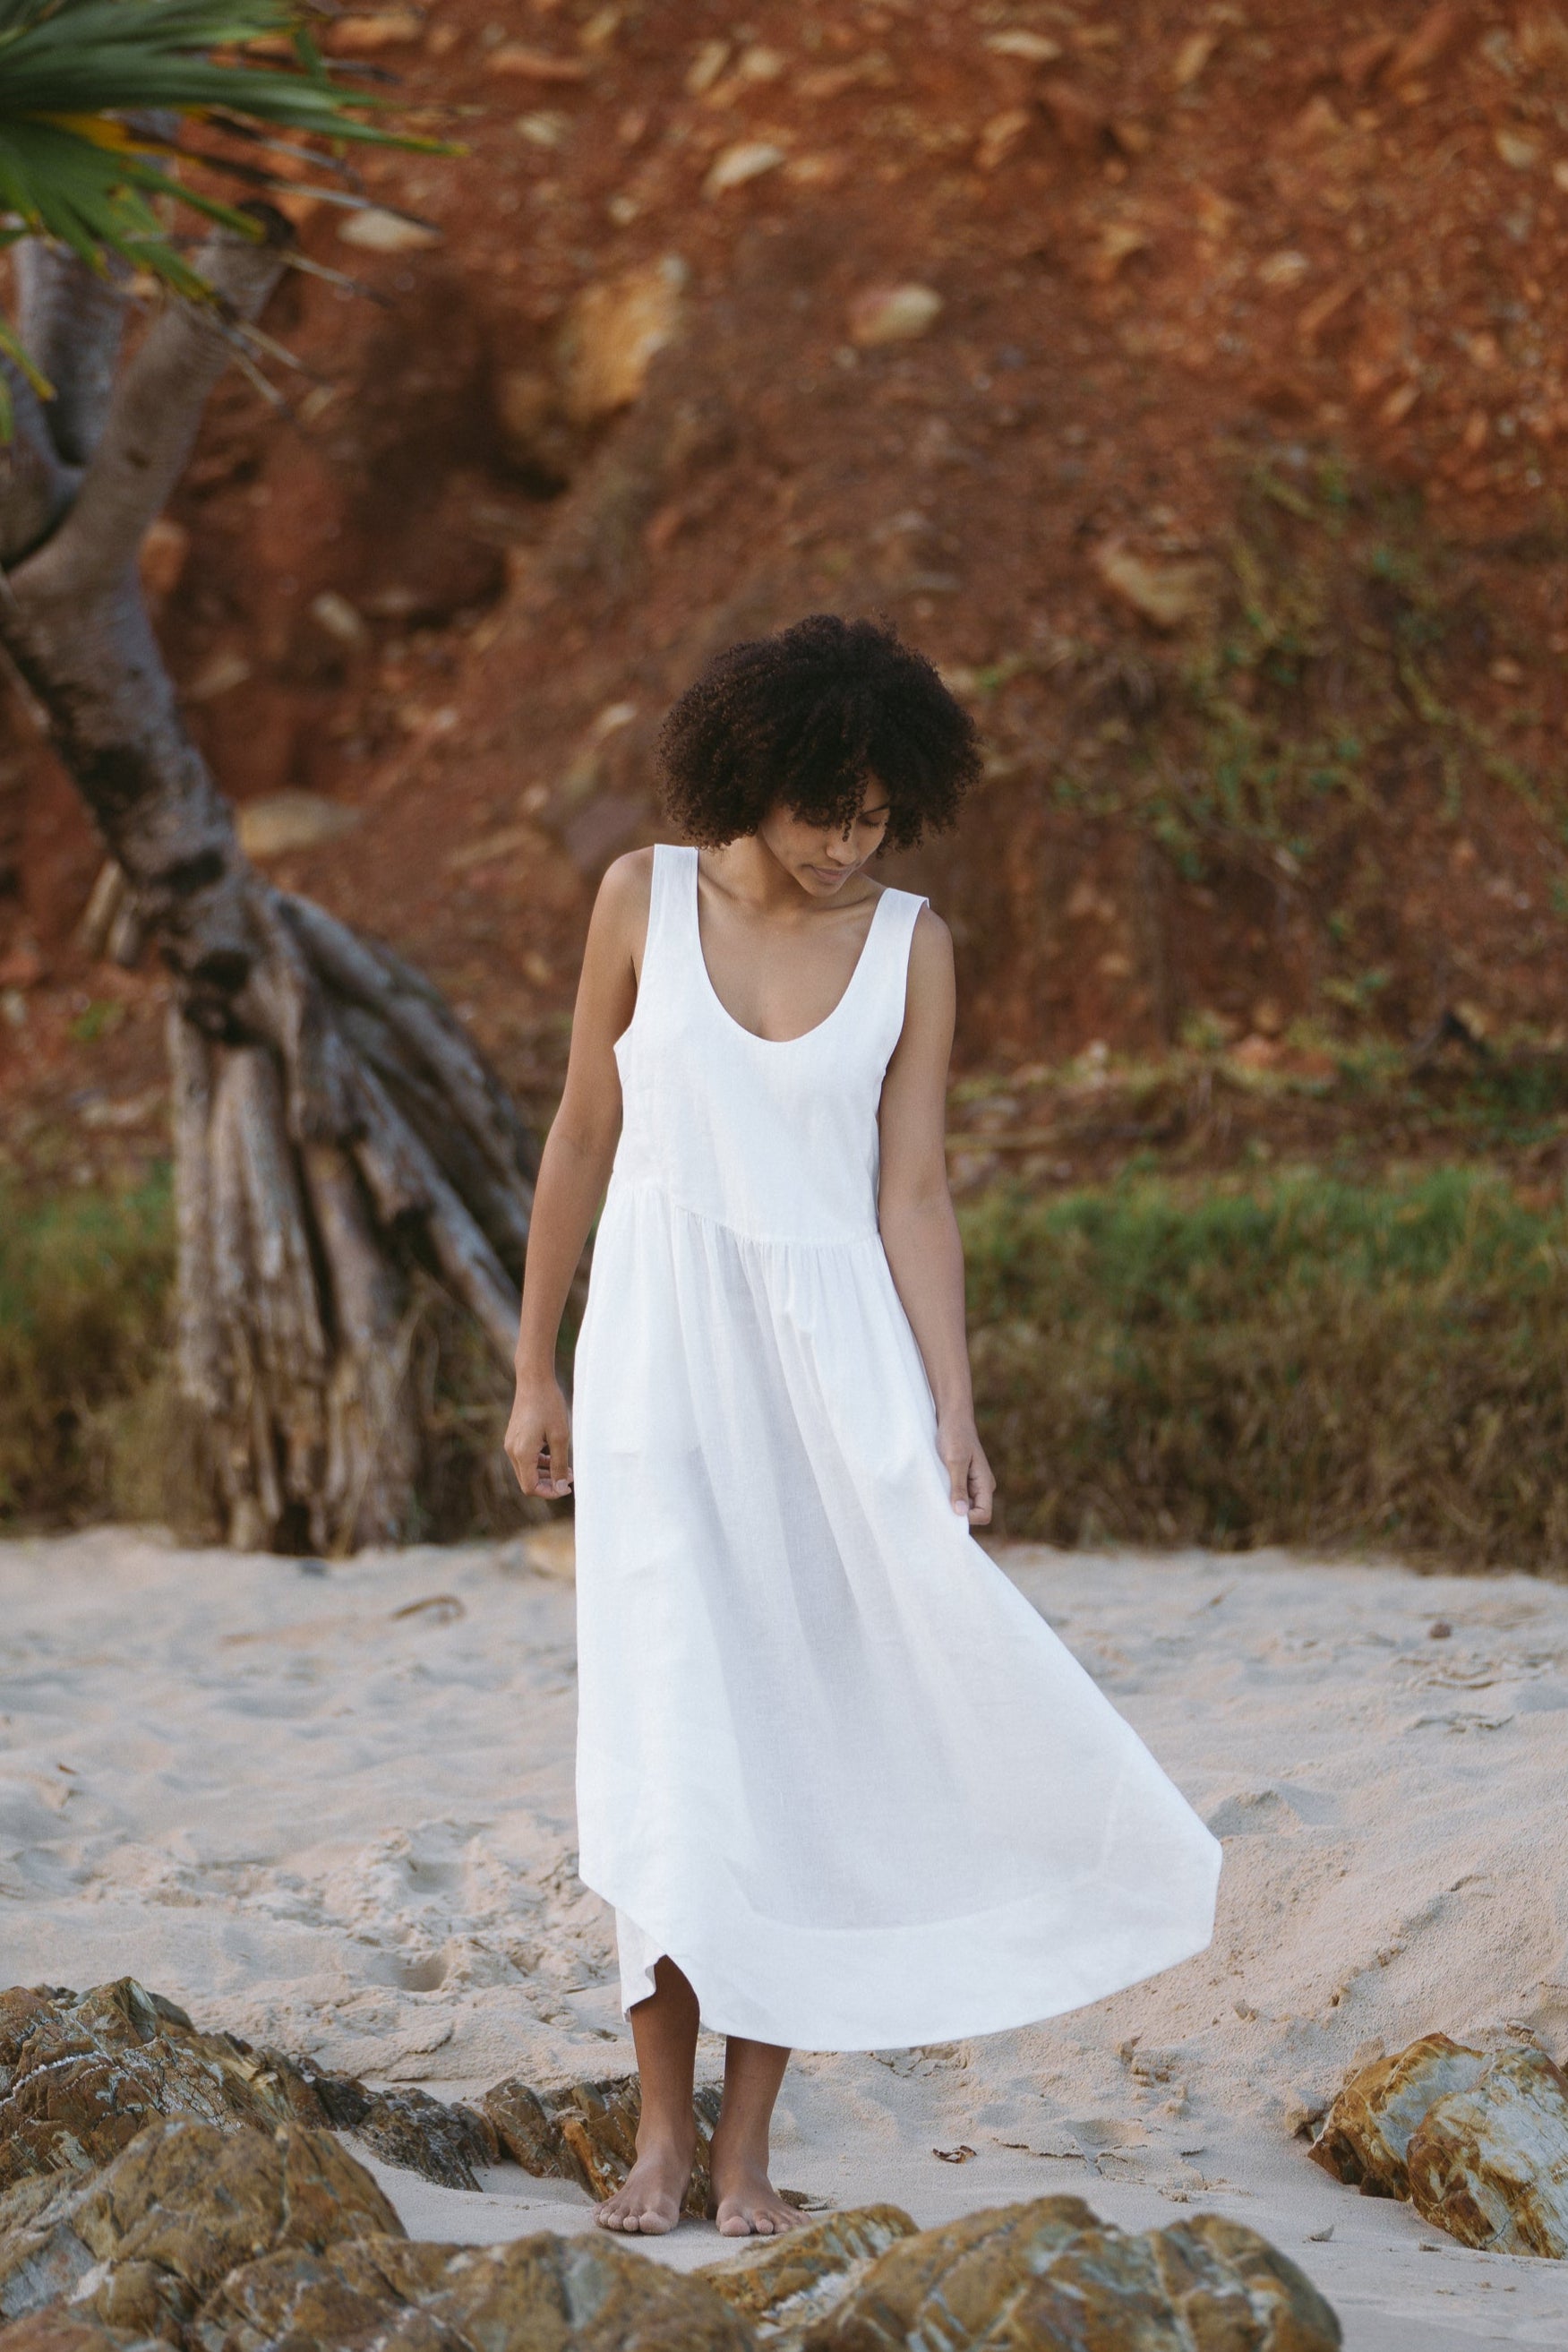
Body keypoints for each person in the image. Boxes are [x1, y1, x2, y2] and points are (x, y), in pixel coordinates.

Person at [505, 614, 1221, 2239]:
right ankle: (660, 2134)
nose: (850, 845)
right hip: (658, 1366)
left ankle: (747, 2147)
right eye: (825, 812)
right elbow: (581, 1135)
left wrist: (953, 1404)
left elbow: (913, 1191)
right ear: (748, 779)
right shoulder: (639, 899)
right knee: (671, 1735)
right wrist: (536, 1365)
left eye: (879, 817)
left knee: (803, 1745)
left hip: (838, 1376)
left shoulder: (911, 944)